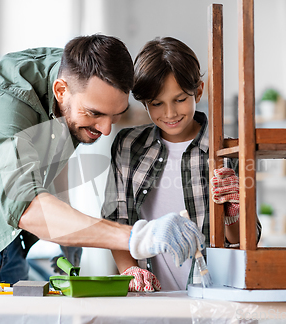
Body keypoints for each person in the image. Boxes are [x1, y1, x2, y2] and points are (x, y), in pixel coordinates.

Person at [0, 34, 206, 288]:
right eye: (95, 114)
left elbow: (50, 159)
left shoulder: (75, 80)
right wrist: (138, 237)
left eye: (115, 115)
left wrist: (69, 231)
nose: (106, 129)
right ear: (61, 91)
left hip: (10, 238)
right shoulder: (6, 100)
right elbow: (26, 207)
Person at [102, 37, 261, 292]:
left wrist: (233, 212)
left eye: (179, 99)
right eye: (157, 103)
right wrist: (128, 269)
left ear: (198, 90)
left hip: (211, 296)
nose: (170, 113)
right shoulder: (128, 146)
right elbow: (115, 220)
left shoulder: (226, 150)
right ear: (145, 103)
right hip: (149, 298)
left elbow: (246, 239)